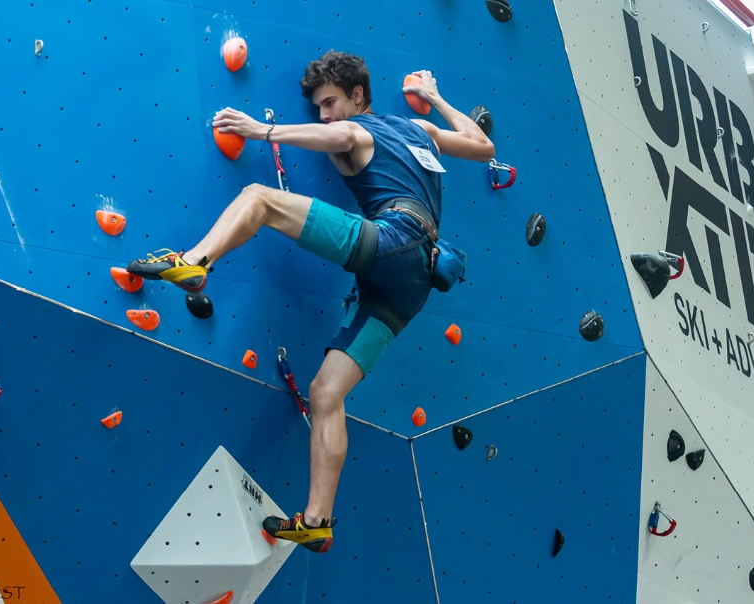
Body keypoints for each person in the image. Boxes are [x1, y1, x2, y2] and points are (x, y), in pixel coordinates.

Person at [126, 51, 494, 553]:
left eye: (329, 102)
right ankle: (317, 522)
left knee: (259, 198)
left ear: (358, 96)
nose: (323, 116)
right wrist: (434, 99)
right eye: (318, 107)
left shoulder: (363, 130)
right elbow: (482, 144)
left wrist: (263, 131)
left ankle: (195, 262)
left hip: (393, 241)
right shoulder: (418, 130)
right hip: (412, 286)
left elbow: (345, 137)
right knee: (325, 394)